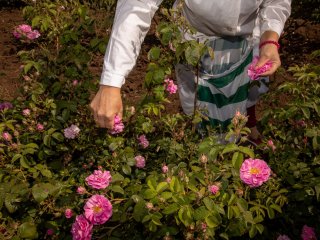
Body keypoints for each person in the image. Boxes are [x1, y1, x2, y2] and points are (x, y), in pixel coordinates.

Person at [90, 0, 291, 142]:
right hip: (197, 36)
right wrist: (111, 82)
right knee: (198, 102)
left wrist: (269, 40)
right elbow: (137, 6)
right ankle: (201, 144)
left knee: (249, 86)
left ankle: (249, 123)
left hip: (250, 31)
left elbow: (276, 2)